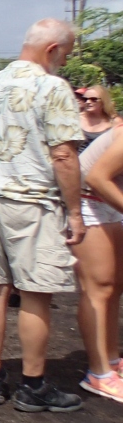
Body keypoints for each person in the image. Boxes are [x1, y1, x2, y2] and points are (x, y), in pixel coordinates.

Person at [0, 18, 84, 412]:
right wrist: (75, 211)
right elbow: (63, 155)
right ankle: (33, 383)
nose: (64, 62)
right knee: (35, 292)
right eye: (65, 54)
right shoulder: (52, 87)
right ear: (52, 50)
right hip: (29, 201)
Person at [71, 123, 123, 401]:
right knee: (98, 287)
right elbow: (97, 177)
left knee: (114, 286)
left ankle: (112, 361)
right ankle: (98, 374)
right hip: (86, 200)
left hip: (108, 202)